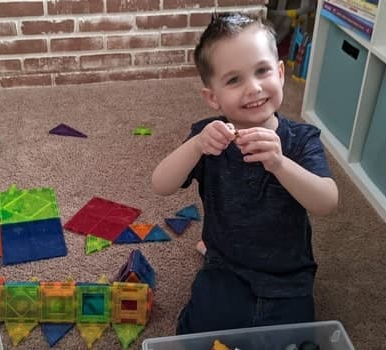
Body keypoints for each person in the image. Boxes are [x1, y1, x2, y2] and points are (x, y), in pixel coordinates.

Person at [151, 11, 339, 335]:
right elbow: (160, 184)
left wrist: (280, 164)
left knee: (292, 339)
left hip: (288, 274)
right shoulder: (207, 137)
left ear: (280, 73)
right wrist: (196, 145)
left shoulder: (302, 138)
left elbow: (327, 201)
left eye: (262, 71)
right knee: (197, 333)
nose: (253, 88)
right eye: (234, 80)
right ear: (213, 97)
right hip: (226, 267)